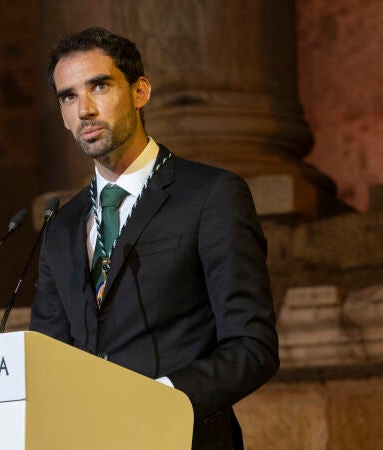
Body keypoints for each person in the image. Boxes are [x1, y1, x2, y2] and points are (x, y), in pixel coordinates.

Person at [29, 27, 279, 450]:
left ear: (140, 91)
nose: (84, 110)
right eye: (68, 96)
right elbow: (49, 358)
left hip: (185, 437)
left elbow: (252, 347)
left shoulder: (210, 195)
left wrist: (159, 399)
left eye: (99, 86)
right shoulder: (63, 225)